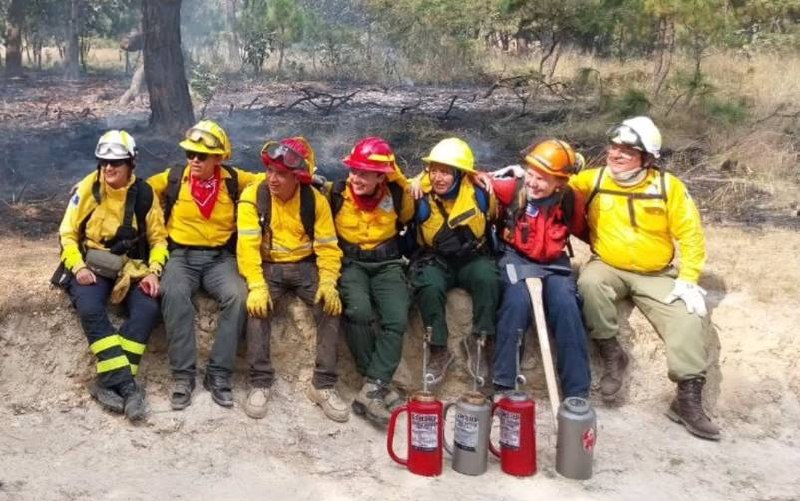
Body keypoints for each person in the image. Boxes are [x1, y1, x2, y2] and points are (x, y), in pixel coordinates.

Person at [570, 116, 720, 440]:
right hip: (607, 265)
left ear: (646, 157)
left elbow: (692, 235)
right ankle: (612, 355)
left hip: (656, 273)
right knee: (588, 284)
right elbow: (552, 184)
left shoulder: (668, 187)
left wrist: (689, 277)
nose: (616, 154)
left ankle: (687, 398)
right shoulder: (592, 180)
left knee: (688, 315)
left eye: (627, 150)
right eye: (613, 147)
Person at [236, 136, 348, 422]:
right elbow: (247, 246)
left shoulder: (315, 200)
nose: (273, 179)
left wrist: (328, 282)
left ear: (297, 177)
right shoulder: (253, 196)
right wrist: (257, 285)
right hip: (269, 268)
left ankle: (322, 385)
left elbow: (327, 246)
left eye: (282, 174)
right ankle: (260, 382)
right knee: (256, 309)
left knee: (330, 308)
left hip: (305, 268)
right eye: (270, 171)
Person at [58, 130, 167, 421]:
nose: (108, 168)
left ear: (132, 163)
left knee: (147, 308)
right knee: (91, 307)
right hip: (90, 264)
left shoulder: (144, 194)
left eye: (116, 162)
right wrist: (78, 267)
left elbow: (158, 241)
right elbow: (67, 233)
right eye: (104, 162)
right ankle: (129, 389)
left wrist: (154, 272)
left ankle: (107, 382)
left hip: (129, 267)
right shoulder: (89, 188)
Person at [148, 120, 258, 410]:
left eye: (201, 156)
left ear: (218, 158)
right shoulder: (173, 178)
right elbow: (138, 189)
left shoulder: (234, 179)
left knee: (238, 297)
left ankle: (219, 375)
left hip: (220, 258)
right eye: (190, 154)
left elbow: (268, 180)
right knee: (173, 294)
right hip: (181, 256)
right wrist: (92, 184)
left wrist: (308, 178)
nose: (194, 160)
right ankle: (183, 377)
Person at [491, 139, 591, 399]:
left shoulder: (570, 200)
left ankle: (577, 393)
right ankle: (504, 385)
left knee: (567, 308)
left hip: (554, 263)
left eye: (542, 179)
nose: (533, 183)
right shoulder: (512, 189)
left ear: (560, 182)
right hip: (515, 257)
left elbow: (586, 231)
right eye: (531, 175)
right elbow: (473, 178)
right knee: (516, 303)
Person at [326, 137, 414, 425]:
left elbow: (423, 191)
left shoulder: (399, 195)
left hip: (387, 264)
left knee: (397, 318)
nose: (355, 178)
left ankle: (371, 387)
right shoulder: (337, 193)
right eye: (353, 171)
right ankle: (376, 385)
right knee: (358, 311)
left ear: (382, 176)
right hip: (351, 263)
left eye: (364, 173)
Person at [410, 137, 500, 387]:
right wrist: (417, 179)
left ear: (460, 174)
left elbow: (510, 191)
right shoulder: (419, 193)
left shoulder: (480, 193)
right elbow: (391, 182)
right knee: (428, 284)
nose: (438, 177)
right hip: (436, 259)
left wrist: (480, 174)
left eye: (446, 172)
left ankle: (480, 340)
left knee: (489, 279)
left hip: (473, 257)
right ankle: (439, 348)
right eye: (434, 170)